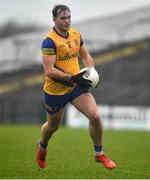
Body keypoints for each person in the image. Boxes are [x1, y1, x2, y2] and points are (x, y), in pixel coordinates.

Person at [36, 4, 116, 170]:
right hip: (55, 91)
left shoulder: (75, 34)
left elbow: (86, 56)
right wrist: (72, 78)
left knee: (95, 116)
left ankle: (99, 154)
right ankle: (42, 146)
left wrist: (91, 72)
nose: (67, 21)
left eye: (69, 17)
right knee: (52, 127)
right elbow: (49, 71)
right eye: (63, 18)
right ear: (54, 19)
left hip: (75, 87)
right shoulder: (49, 42)